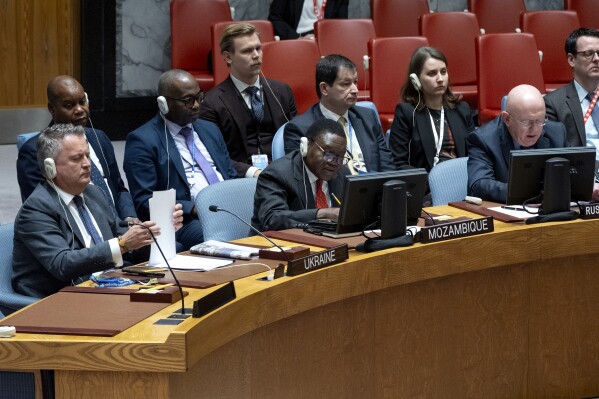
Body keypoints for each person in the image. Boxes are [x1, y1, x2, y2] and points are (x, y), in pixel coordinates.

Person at [11, 124, 184, 298]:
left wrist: (160, 230)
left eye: (87, 155)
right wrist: (122, 244)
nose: (87, 164)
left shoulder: (94, 193)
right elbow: (61, 264)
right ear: (51, 168)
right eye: (77, 158)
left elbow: (122, 234)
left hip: (108, 285)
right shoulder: (36, 209)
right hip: (58, 298)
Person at [124, 69, 237, 250]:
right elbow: (145, 202)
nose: (196, 105)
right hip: (185, 221)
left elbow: (229, 174)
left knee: (268, 222)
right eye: (188, 100)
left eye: (199, 97)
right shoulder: (142, 141)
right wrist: (193, 207)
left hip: (230, 208)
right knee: (222, 235)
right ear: (164, 104)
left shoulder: (210, 130)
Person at [16, 75, 137, 221]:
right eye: (69, 105)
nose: (79, 109)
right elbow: (39, 209)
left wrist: (129, 217)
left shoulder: (99, 138)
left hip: (121, 227)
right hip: (82, 233)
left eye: (82, 102)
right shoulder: (35, 151)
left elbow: (118, 188)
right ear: (52, 109)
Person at [199, 23, 297, 178]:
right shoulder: (211, 103)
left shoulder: (282, 92)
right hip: (240, 180)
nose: (256, 55)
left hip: (283, 175)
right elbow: (213, 155)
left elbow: (295, 140)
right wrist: (253, 172)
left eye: (258, 48)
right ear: (228, 57)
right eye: (247, 51)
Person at [284, 54, 395, 174]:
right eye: (346, 84)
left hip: (373, 188)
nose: (355, 90)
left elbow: (387, 167)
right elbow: (301, 179)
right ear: (324, 88)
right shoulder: (300, 129)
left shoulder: (368, 117)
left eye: (355, 82)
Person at [467, 85, 567, 203]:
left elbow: (574, 172)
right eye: (526, 122)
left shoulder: (557, 133)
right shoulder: (483, 140)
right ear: (507, 119)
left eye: (540, 120)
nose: (534, 129)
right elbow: (479, 185)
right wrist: (530, 194)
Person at [389, 46, 476, 172]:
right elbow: (398, 163)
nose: (440, 79)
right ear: (416, 80)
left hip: (462, 183)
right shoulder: (407, 113)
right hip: (426, 188)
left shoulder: (462, 109)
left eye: (443, 71)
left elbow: (475, 154)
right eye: (432, 73)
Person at [253, 119, 350, 231]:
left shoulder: (343, 173)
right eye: (328, 154)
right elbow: (272, 219)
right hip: (278, 243)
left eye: (340, 157)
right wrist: (321, 214)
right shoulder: (277, 174)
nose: (334, 162)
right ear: (306, 146)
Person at [544, 27, 599, 200]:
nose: (596, 59)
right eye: (588, 53)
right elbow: (555, 156)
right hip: (584, 185)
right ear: (571, 59)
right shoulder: (553, 103)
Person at [268, 0, 349, 40]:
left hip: (325, 39)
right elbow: (275, 18)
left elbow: (340, 25)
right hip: (296, 38)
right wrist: (297, 38)